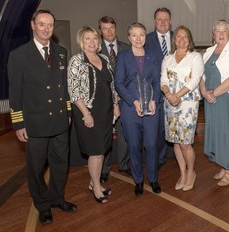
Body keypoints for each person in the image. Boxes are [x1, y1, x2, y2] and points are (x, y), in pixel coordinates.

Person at [8, 9, 77, 224]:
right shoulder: (19, 55)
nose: (46, 29)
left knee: (60, 164)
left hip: (58, 120)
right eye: (42, 24)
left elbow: (64, 88)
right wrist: (18, 123)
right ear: (33, 25)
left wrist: (67, 113)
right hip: (35, 122)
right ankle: (42, 204)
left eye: (50, 25)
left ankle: (57, 198)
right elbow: (15, 92)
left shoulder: (62, 51)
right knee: (36, 168)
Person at [67, 26, 120, 204]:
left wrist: (115, 104)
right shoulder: (76, 61)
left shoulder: (104, 58)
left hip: (105, 112)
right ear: (82, 41)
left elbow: (111, 85)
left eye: (95, 38)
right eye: (88, 38)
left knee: (102, 150)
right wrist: (86, 114)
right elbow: (74, 92)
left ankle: (93, 182)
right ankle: (96, 187)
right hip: (88, 112)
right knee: (96, 151)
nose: (92, 42)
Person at [115, 23, 162, 196]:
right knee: (134, 146)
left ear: (145, 37)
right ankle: (138, 180)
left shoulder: (152, 56)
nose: (138, 38)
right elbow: (119, 83)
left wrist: (154, 100)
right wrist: (133, 101)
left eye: (141, 35)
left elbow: (157, 82)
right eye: (134, 35)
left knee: (151, 145)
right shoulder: (123, 56)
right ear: (129, 37)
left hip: (150, 108)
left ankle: (153, 178)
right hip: (130, 108)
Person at [160, 25, 204, 191]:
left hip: (187, 104)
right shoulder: (167, 58)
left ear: (189, 40)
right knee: (176, 143)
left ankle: (191, 172)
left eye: (185, 36)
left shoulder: (195, 57)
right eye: (178, 36)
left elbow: (194, 81)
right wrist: (168, 94)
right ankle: (182, 173)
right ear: (174, 39)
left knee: (185, 143)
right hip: (169, 103)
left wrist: (176, 95)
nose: (182, 39)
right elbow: (163, 80)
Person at [199, 19, 229, 187]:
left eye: (224, 31)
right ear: (213, 35)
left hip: (226, 98)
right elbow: (202, 77)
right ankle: (223, 165)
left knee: (228, 133)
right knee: (217, 132)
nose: (221, 34)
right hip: (211, 99)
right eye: (218, 31)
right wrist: (204, 92)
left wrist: (213, 94)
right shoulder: (208, 52)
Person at [98, 16, 131, 183]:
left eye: (111, 28)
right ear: (100, 31)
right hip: (104, 101)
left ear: (115, 29)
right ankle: (104, 168)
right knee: (107, 135)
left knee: (124, 133)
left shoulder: (127, 47)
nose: (109, 31)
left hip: (124, 99)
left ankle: (124, 165)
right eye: (105, 28)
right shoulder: (95, 49)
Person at [146, 7, 174, 166]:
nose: (163, 22)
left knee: (169, 128)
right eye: (159, 19)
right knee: (155, 130)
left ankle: (164, 157)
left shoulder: (180, 37)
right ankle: (155, 159)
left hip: (176, 92)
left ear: (170, 22)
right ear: (154, 21)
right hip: (154, 92)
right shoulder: (146, 39)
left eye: (166, 19)